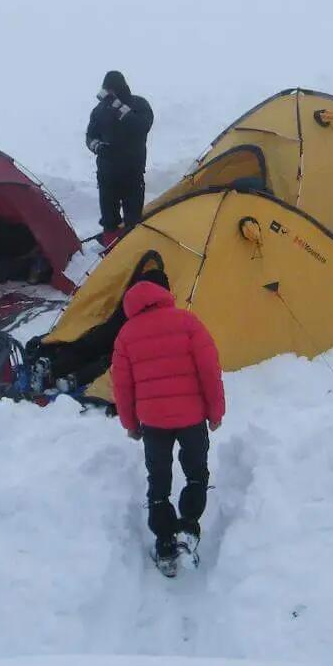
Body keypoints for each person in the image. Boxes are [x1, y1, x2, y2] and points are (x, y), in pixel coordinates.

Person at [109, 278, 225, 568]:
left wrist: (130, 423)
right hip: (192, 417)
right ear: (163, 296)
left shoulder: (126, 335)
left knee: (158, 480)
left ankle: (164, 544)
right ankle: (187, 526)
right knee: (196, 472)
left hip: (153, 422)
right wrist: (215, 412)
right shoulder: (187, 321)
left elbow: (122, 386)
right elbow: (210, 369)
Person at [86, 70, 153, 236]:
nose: (107, 94)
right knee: (109, 221)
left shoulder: (139, 104)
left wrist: (118, 107)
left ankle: (132, 249)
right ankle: (111, 250)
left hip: (132, 172)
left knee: (133, 220)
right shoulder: (99, 111)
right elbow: (90, 136)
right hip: (107, 174)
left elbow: (141, 127)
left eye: (111, 90)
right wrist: (98, 147)